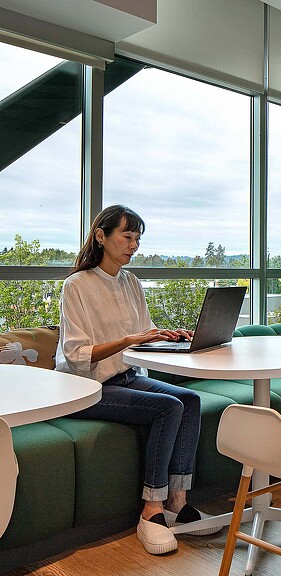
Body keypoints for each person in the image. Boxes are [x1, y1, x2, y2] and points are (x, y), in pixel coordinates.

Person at [55, 205, 217, 554]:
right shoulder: (76, 286)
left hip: (125, 378)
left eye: (137, 239)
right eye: (127, 236)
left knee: (190, 401)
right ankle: (151, 510)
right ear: (101, 236)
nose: (133, 245)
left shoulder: (131, 282)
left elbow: (140, 336)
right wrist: (130, 340)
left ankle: (177, 501)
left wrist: (165, 337)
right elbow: (76, 354)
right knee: (168, 408)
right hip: (85, 388)